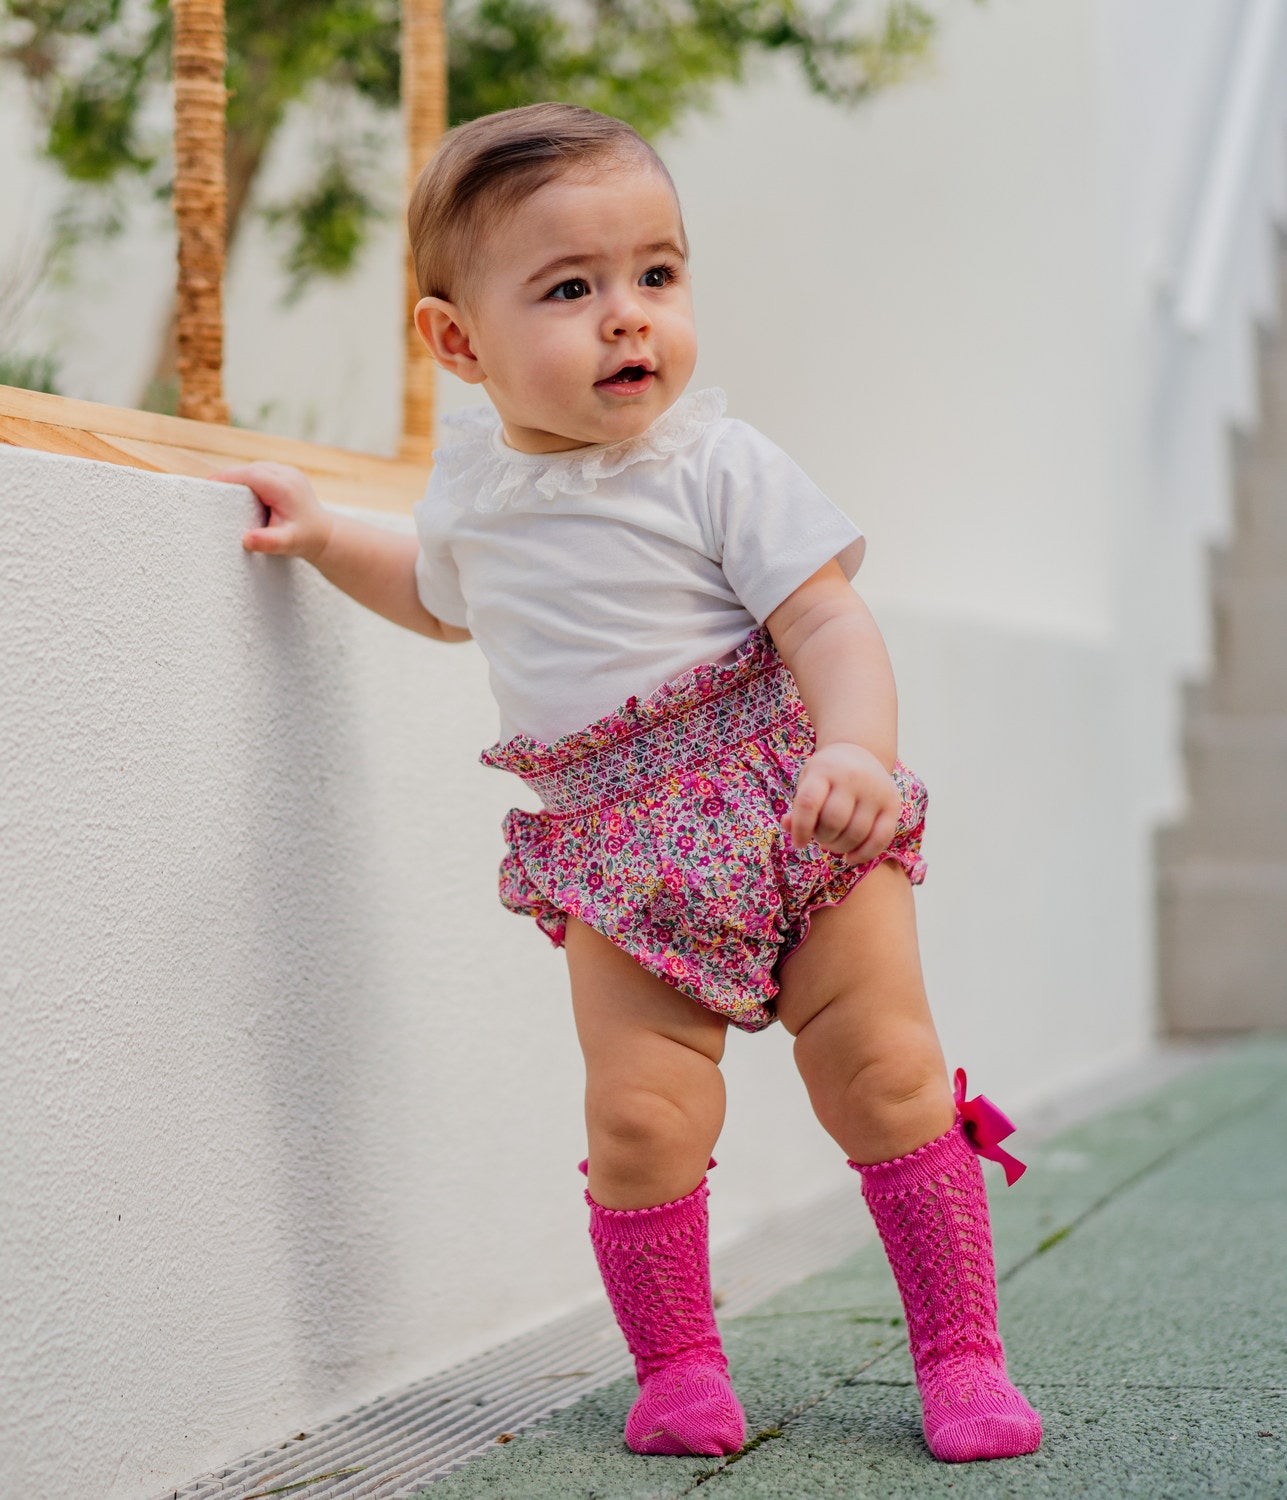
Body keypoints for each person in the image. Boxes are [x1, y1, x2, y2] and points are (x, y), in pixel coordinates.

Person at [208, 102, 1042, 1465]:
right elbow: (431, 596)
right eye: (570, 288)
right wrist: (317, 536)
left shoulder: (716, 463)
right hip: (618, 852)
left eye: (657, 274)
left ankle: (961, 1356)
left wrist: (856, 755)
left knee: (883, 1071)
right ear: (457, 343)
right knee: (641, 1118)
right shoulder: (477, 499)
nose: (627, 317)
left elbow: (828, 623)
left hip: (796, 809)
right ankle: (679, 1370)